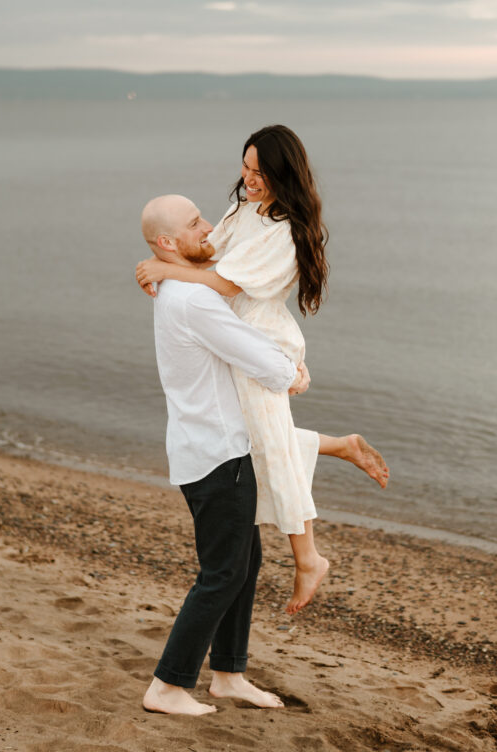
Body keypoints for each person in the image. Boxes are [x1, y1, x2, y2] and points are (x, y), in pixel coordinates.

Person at [136, 125, 389, 615]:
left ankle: (309, 557)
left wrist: (165, 269)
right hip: (235, 333)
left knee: (270, 443)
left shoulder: (283, 231)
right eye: (246, 168)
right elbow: (208, 253)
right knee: (258, 436)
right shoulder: (244, 209)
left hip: (259, 337)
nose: (249, 179)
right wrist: (157, 254)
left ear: (283, 173)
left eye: (260, 172)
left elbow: (227, 286)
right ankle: (338, 444)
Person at [139, 193, 310, 715]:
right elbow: (266, 362)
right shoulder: (192, 300)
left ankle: (229, 675)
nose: (208, 227)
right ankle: (167, 686)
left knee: (245, 564)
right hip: (218, 456)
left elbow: (222, 285)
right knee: (223, 573)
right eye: (195, 223)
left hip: (209, 449)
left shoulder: (176, 287)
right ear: (168, 243)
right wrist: (292, 372)